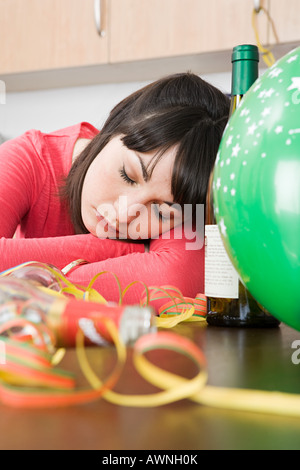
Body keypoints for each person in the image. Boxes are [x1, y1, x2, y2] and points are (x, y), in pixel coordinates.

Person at [0, 73, 229, 306]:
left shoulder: (187, 201)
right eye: (127, 175)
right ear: (113, 126)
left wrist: (26, 277)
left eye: (161, 212)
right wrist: (122, 250)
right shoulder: (29, 157)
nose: (124, 214)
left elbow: (175, 278)